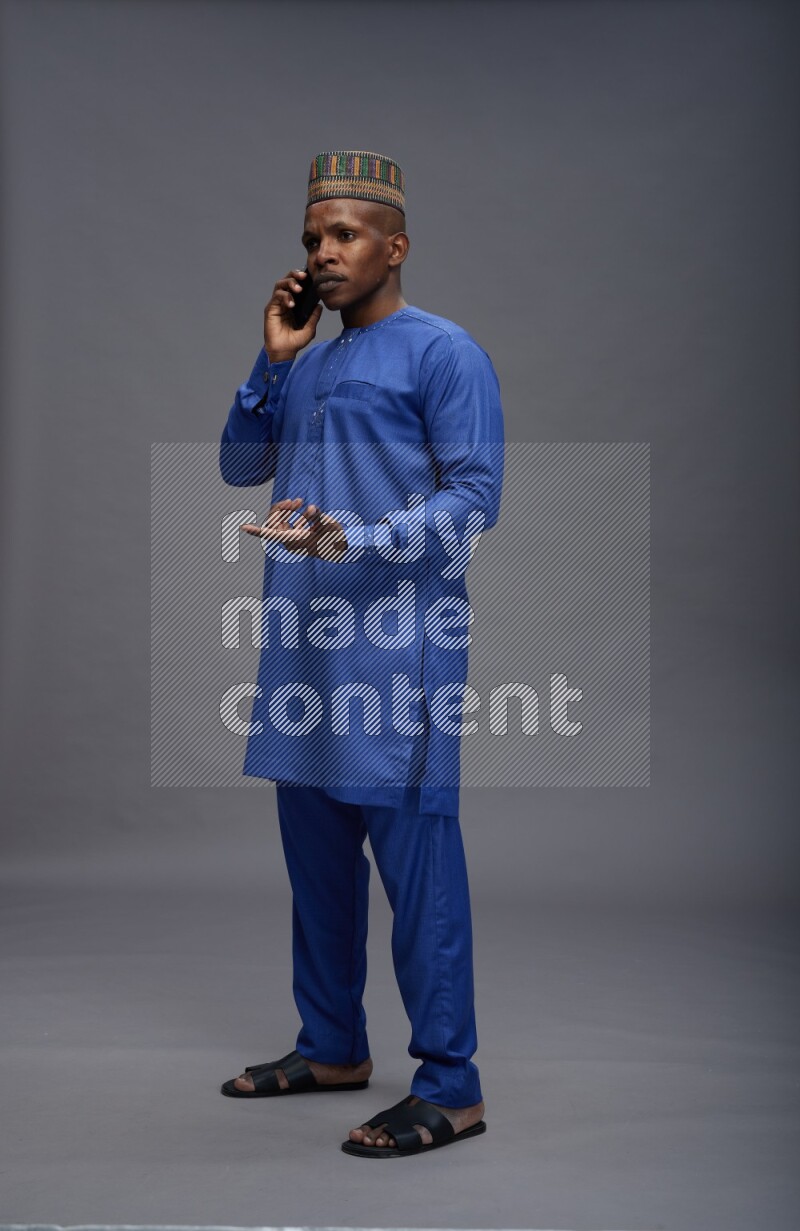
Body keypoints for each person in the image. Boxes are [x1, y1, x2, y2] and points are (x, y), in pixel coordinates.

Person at [218, 150, 505, 1157]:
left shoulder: (443, 353)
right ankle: (332, 1043)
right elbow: (237, 463)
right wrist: (272, 359)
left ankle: (451, 1083)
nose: (323, 253)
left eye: (342, 234)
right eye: (311, 238)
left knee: (417, 866)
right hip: (302, 649)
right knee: (317, 860)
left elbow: (474, 503)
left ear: (396, 244)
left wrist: (357, 537)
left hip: (397, 650)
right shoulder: (310, 356)